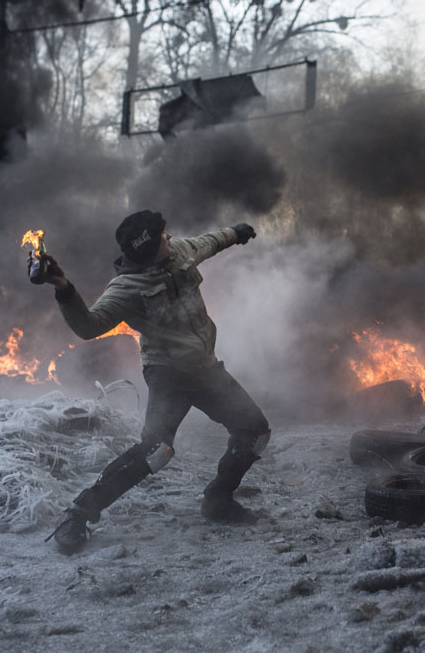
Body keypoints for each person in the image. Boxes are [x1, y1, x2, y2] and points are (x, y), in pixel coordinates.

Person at [36, 210, 270, 555]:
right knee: (157, 450)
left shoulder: (179, 252)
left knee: (255, 431)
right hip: (168, 374)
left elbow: (209, 242)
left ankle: (218, 499)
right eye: (162, 237)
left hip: (205, 368)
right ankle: (79, 514)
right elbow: (88, 326)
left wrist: (235, 233)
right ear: (147, 249)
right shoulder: (125, 289)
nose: (169, 238)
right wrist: (64, 289)